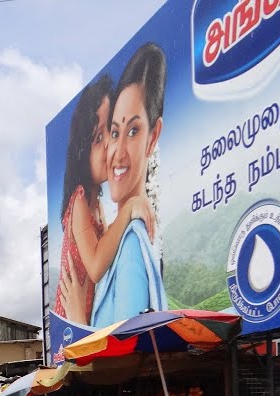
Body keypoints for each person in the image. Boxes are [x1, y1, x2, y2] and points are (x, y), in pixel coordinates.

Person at [55, 75, 155, 325]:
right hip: (71, 326)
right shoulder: (78, 200)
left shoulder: (96, 204)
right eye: (98, 138)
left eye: (108, 134)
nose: (109, 147)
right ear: (81, 151)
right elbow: (97, 264)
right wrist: (129, 209)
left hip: (86, 321)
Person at [89, 42, 169, 327]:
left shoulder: (134, 240)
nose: (118, 152)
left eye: (133, 131)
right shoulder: (121, 237)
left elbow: (127, 341)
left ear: (153, 135)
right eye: (114, 132)